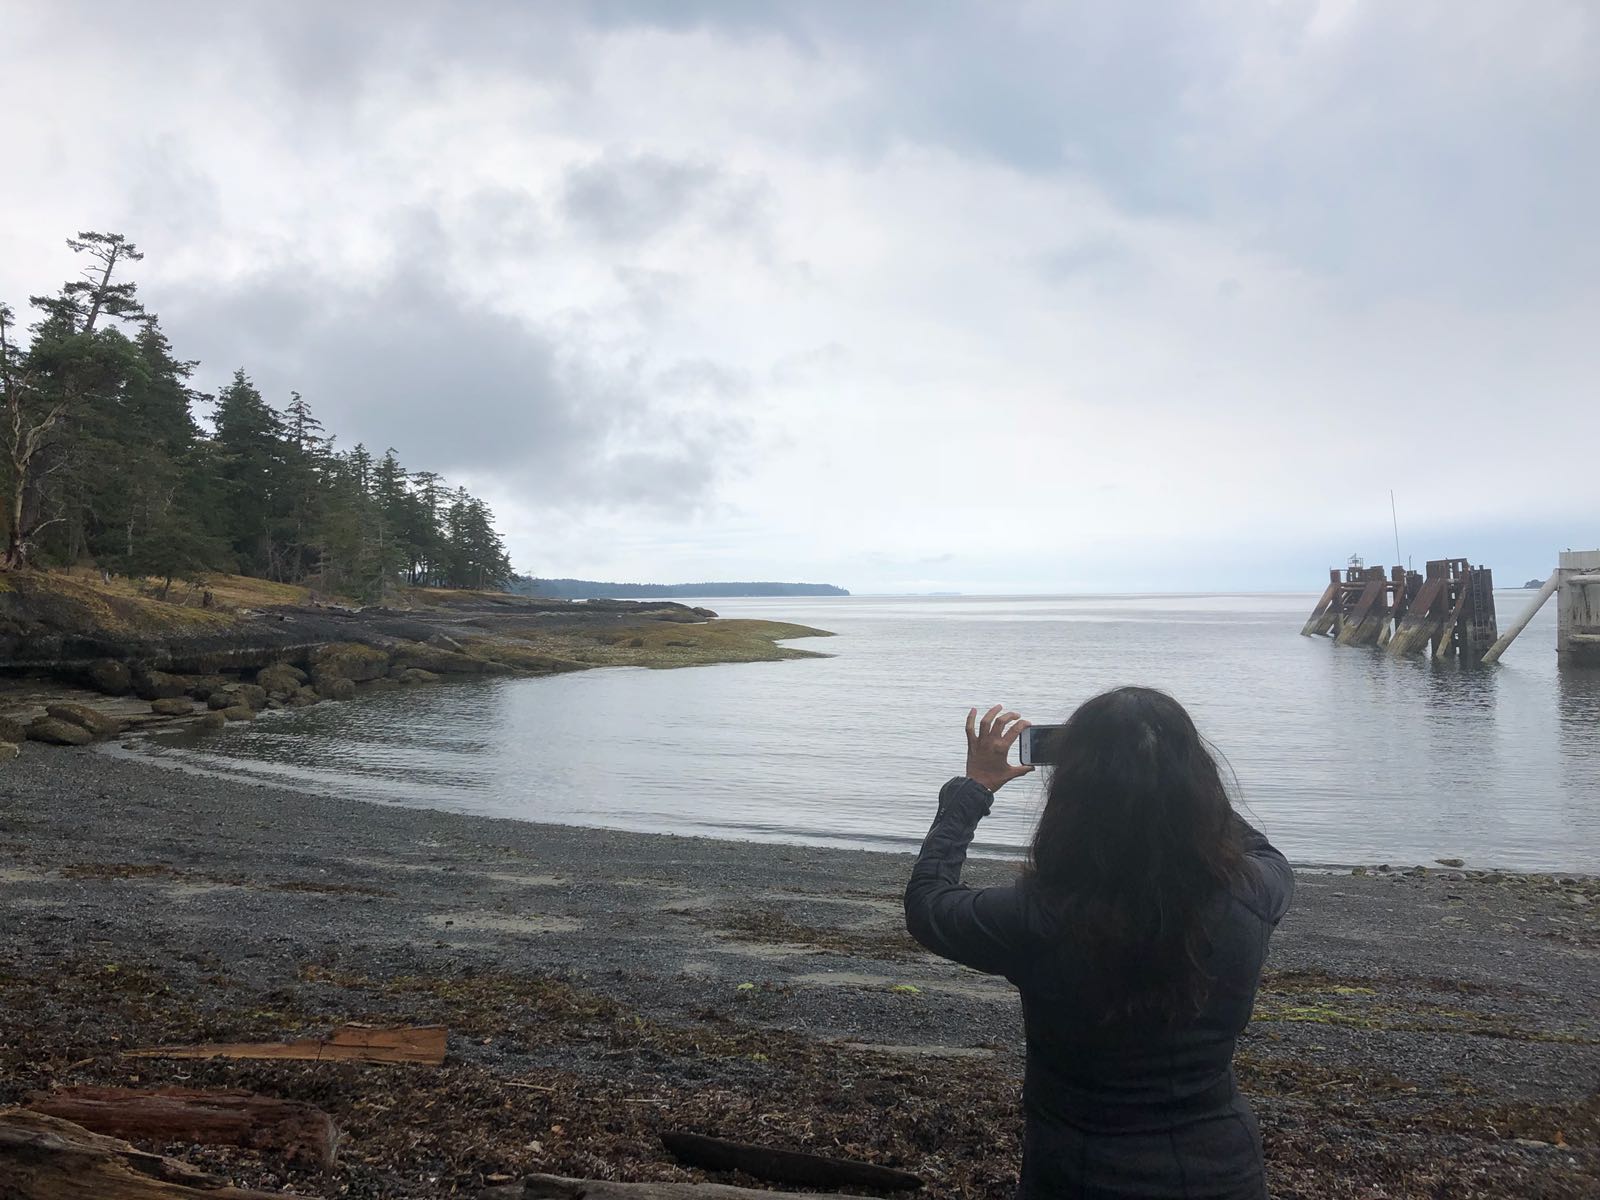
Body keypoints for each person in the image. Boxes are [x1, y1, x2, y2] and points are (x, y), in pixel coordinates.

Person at [904, 688, 1294, 1200]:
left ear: (1072, 796)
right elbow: (1264, 852)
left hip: (1075, 1173)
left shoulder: (1036, 916)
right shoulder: (1252, 895)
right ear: (1199, 782)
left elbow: (929, 903)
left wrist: (975, 787)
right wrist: (1171, 780)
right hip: (1224, 1173)